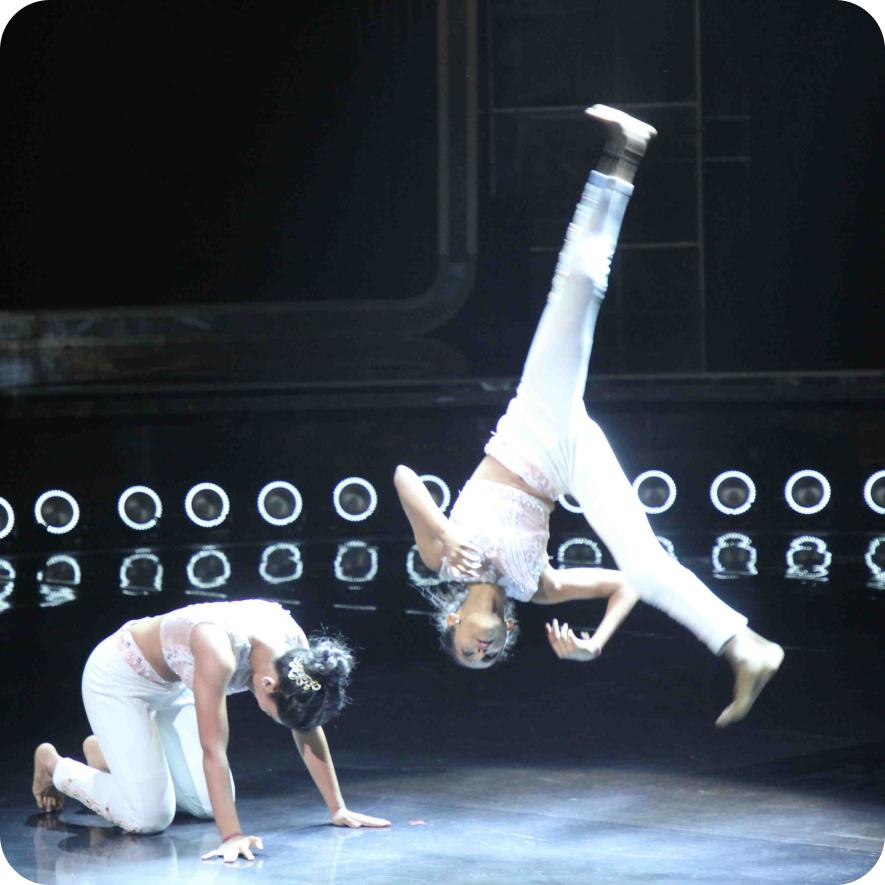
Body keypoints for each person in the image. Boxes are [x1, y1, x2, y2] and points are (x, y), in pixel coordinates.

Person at [394, 105, 783, 727]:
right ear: (506, 637)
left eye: (468, 650)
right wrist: (597, 640)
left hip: (531, 428)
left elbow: (403, 477)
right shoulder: (537, 588)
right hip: (568, 459)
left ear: (453, 620)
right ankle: (746, 646)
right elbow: (624, 585)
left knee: (577, 288)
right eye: (488, 658)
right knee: (646, 565)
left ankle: (623, 154)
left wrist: (447, 531)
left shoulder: (442, 559)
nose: (482, 650)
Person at [31, 598, 390, 863]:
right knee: (150, 818)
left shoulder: (296, 655)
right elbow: (213, 750)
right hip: (120, 679)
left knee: (207, 804)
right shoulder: (218, 653)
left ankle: (110, 754)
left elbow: (307, 728)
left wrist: (338, 808)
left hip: (176, 686)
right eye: (278, 717)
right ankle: (54, 766)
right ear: (267, 685)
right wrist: (232, 836)